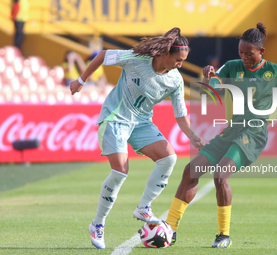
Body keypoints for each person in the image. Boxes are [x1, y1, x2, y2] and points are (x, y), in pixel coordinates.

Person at [166, 22, 277, 248]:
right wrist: (208, 77)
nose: (244, 57)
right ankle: (170, 228)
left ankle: (223, 235)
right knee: (191, 170)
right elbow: (213, 88)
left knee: (220, 175)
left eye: (249, 53)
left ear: (262, 52)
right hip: (232, 130)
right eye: (241, 52)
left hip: (255, 133)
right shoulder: (232, 66)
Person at [69, 27, 205, 249]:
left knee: (169, 158)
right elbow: (103, 55)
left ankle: (144, 207)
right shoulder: (137, 59)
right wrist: (81, 81)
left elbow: (181, 116)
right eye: (178, 60)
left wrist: (194, 138)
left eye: (183, 61)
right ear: (165, 54)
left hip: (141, 123)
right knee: (120, 172)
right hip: (115, 118)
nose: (180, 64)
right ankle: (98, 224)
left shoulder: (175, 81)